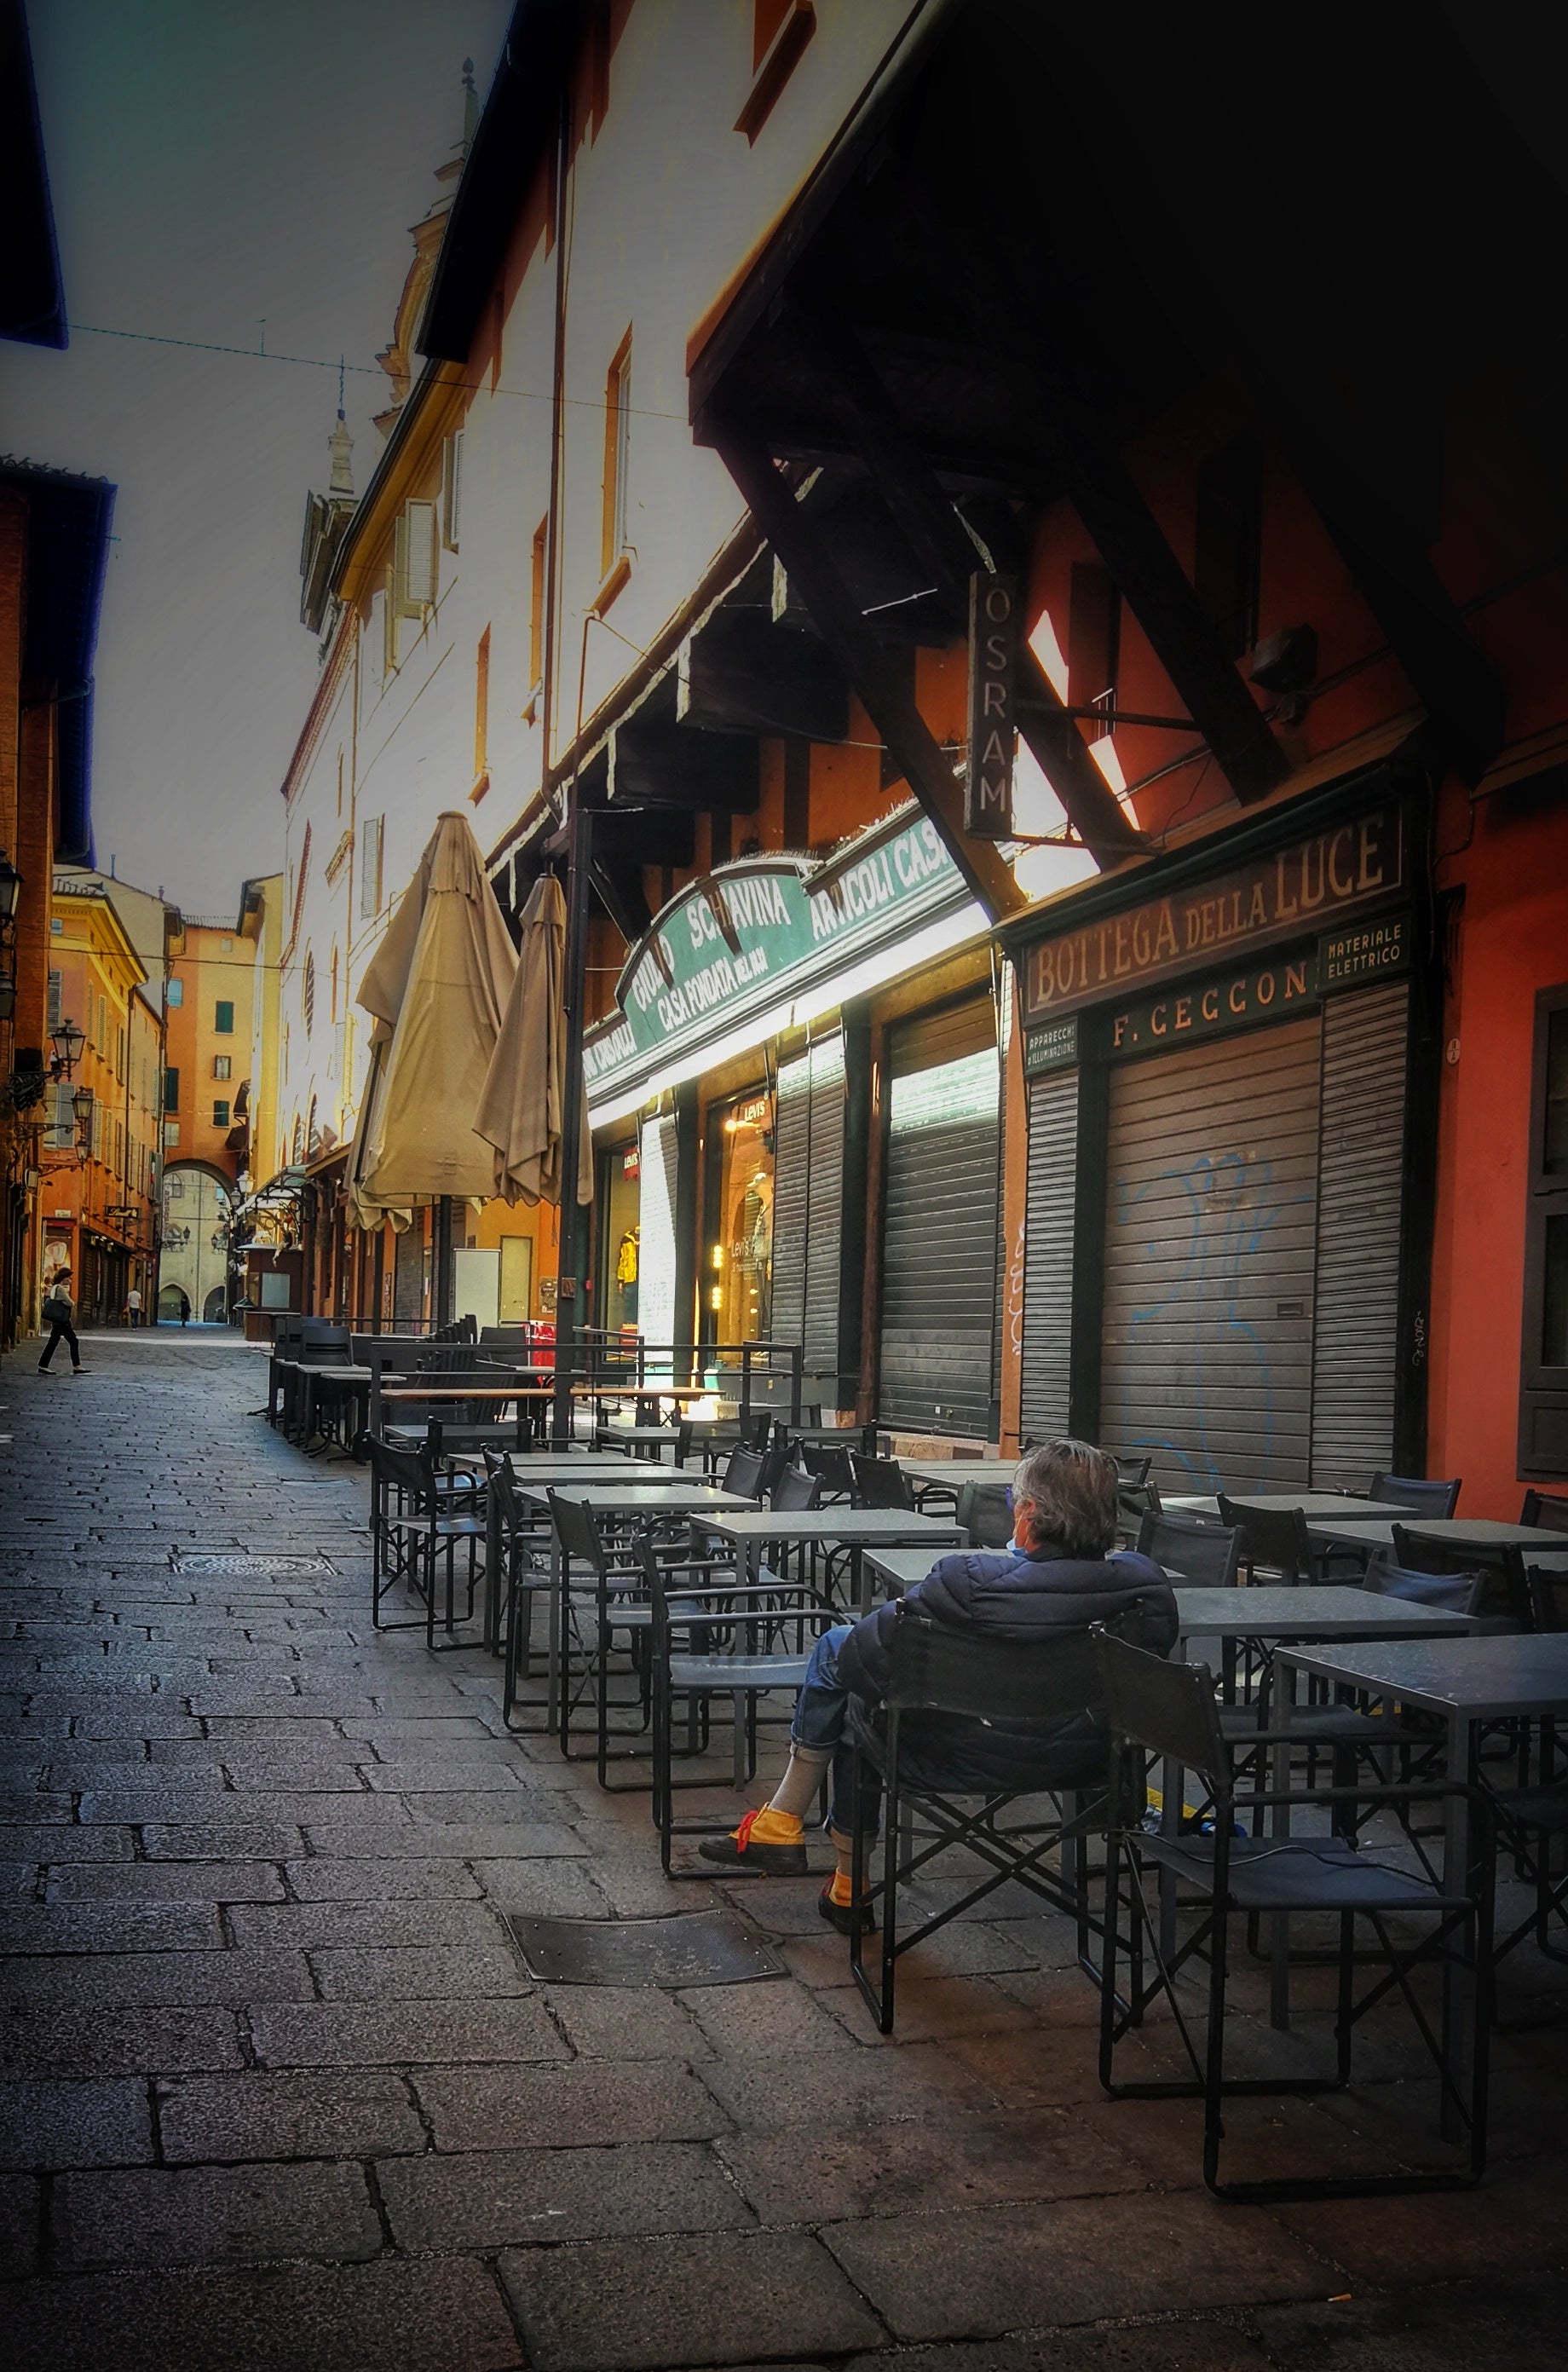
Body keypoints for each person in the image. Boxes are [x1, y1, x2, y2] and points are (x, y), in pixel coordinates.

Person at [700, 1437, 1176, 1930]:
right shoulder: (1144, 1590)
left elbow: (865, 1657)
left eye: (1015, 1502)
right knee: (850, 1672)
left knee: (846, 1675)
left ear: (1030, 1513)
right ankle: (815, 1859)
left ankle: (820, 1857)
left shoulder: (966, 1582)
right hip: (1089, 1760)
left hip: (953, 1756)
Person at [38, 1272, 86, 1375]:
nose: (70, 1280)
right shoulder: (59, 1288)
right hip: (62, 1321)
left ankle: (43, 1365)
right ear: (64, 1278)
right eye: (69, 1278)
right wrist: (67, 1302)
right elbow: (70, 1303)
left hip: (58, 1321)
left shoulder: (54, 1288)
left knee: (54, 1342)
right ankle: (76, 1366)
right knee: (73, 1341)